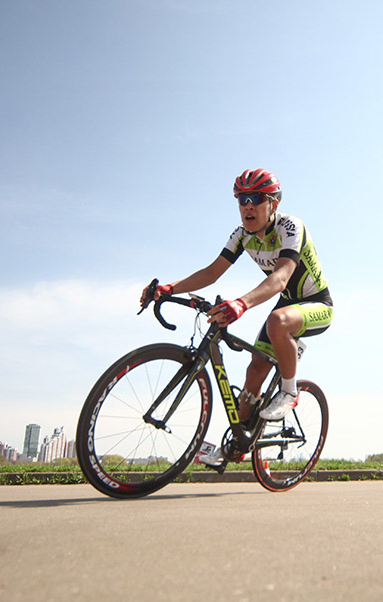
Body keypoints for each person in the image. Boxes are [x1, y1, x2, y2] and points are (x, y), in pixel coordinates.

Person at [141, 168, 334, 467]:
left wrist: (242, 304)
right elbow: (211, 272)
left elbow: (281, 278)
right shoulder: (242, 235)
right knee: (254, 372)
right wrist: (169, 288)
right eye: (242, 199)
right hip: (285, 305)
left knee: (277, 321)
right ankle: (238, 445)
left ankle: (289, 391)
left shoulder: (290, 227)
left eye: (256, 198)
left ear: (273, 203)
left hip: (316, 303)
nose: (248, 206)